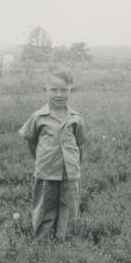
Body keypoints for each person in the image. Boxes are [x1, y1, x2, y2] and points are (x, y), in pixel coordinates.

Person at [18, 67, 86, 241]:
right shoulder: (38, 117)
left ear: (71, 89)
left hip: (70, 173)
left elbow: (80, 145)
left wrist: (75, 166)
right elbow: (31, 141)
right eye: (54, 90)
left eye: (64, 90)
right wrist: (42, 160)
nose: (59, 95)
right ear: (45, 90)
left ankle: (65, 241)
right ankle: (43, 241)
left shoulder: (76, 118)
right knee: (45, 207)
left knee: (69, 208)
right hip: (47, 171)